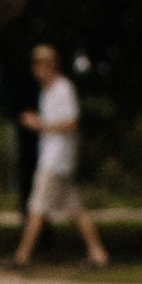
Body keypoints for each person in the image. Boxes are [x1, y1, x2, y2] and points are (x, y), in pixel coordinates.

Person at [12, 41, 109, 271]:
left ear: (51, 65)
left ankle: (22, 257)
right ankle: (98, 254)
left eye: (40, 64)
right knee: (75, 210)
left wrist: (40, 125)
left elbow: (71, 123)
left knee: (36, 207)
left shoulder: (62, 89)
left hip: (55, 160)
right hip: (56, 159)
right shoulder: (47, 93)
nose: (36, 69)